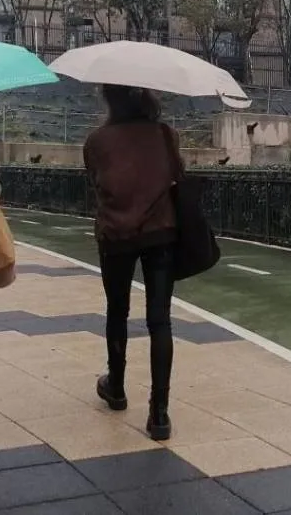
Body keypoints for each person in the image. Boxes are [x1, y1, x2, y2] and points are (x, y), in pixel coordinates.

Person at [83, 84, 183, 441]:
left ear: (109, 98)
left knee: (117, 312)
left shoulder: (97, 140)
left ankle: (118, 387)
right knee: (160, 320)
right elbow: (178, 174)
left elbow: (95, 181)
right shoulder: (164, 134)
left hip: (115, 234)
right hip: (161, 232)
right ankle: (159, 412)